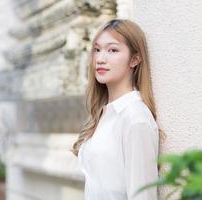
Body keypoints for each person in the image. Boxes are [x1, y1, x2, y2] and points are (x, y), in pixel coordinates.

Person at [71, 19, 165, 200]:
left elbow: (142, 196)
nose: (100, 59)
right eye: (97, 50)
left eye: (112, 50)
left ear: (135, 59)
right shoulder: (103, 114)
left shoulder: (135, 118)